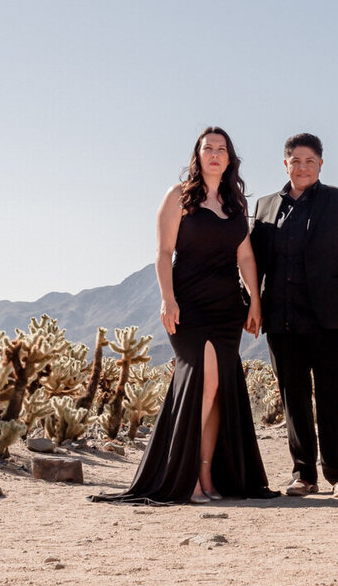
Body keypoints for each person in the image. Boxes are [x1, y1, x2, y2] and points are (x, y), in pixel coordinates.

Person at [94, 127, 275, 505]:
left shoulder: (235, 203)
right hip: (188, 306)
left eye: (221, 149)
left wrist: (254, 303)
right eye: (208, 148)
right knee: (204, 385)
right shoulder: (178, 197)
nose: (214, 154)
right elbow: (163, 253)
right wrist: (167, 299)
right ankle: (187, 475)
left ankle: (206, 476)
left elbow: (245, 257)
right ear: (198, 155)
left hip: (228, 309)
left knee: (218, 393)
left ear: (229, 159)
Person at [250, 133, 338, 498]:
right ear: (285, 164)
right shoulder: (266, 205)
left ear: (320, 164)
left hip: (329, 315)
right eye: (295, 161)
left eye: (309, 161)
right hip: (280, 315)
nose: (302, 167)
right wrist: (252, 306)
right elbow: (253, 263)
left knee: (333, 393)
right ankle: (303, 474)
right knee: (294, 394)